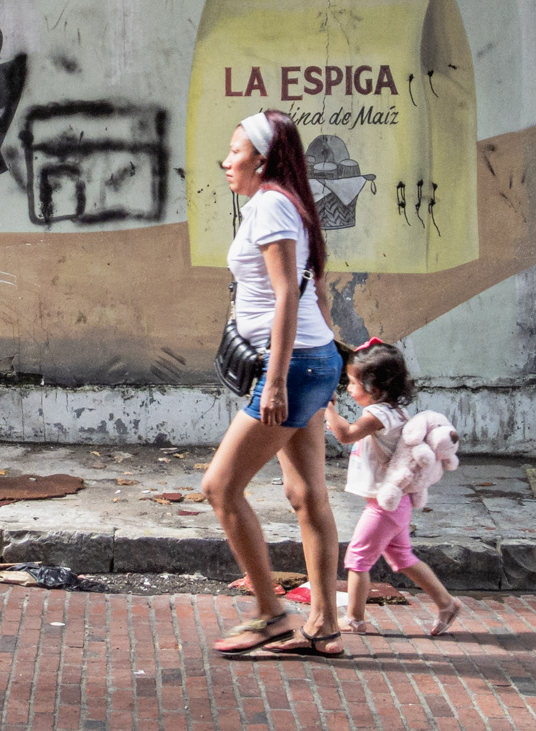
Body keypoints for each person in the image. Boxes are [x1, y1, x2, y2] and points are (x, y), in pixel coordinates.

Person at [201, 109, 347, 658]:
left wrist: (280, 380)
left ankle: (270, 614)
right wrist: (327, 360)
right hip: (313, 360)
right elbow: (318, 291)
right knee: (307, 494)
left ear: (261, 158)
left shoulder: (269, 205)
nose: (225, 161)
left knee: (220, 487)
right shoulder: (288, 204)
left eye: (235, 151)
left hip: (293, 367)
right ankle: (325, 626)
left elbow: (289, 294)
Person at [325, 340, 465, 636]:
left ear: (374, 388)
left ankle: (354, 619)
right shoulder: (393, 413)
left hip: (384, 505)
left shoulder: (379, 416)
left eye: (352, 382)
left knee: (357, 559)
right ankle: (446, 603)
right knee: (403, 558)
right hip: (394, 502)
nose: (349, 388)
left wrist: (328, 409)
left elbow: (346, 434)